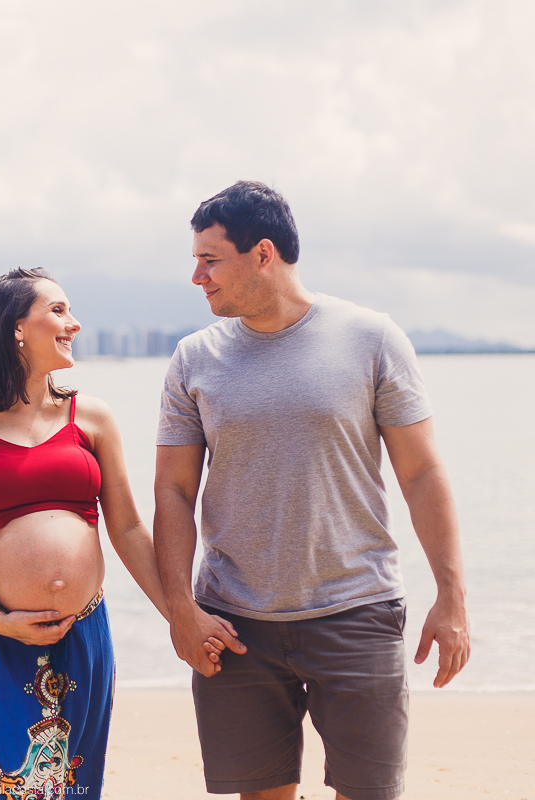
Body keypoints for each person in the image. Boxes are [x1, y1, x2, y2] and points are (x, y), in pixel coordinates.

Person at [154, 181, 470, 800]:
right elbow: (172, 492)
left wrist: (452, 597)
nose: (197, 277)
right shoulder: (194, 359)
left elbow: (422, 474)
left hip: (358, 611)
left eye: (210, 259)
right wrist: (181, 612)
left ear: (262, 254)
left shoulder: (372, 338)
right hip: (235, 625)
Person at [0, 267, 173, 800]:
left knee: (76, 786)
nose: (73, 323)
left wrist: (181, 616)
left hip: (83, 634)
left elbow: (127, 529)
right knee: (0, 785)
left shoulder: (92, 417)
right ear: (16, 328)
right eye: (58, 310)